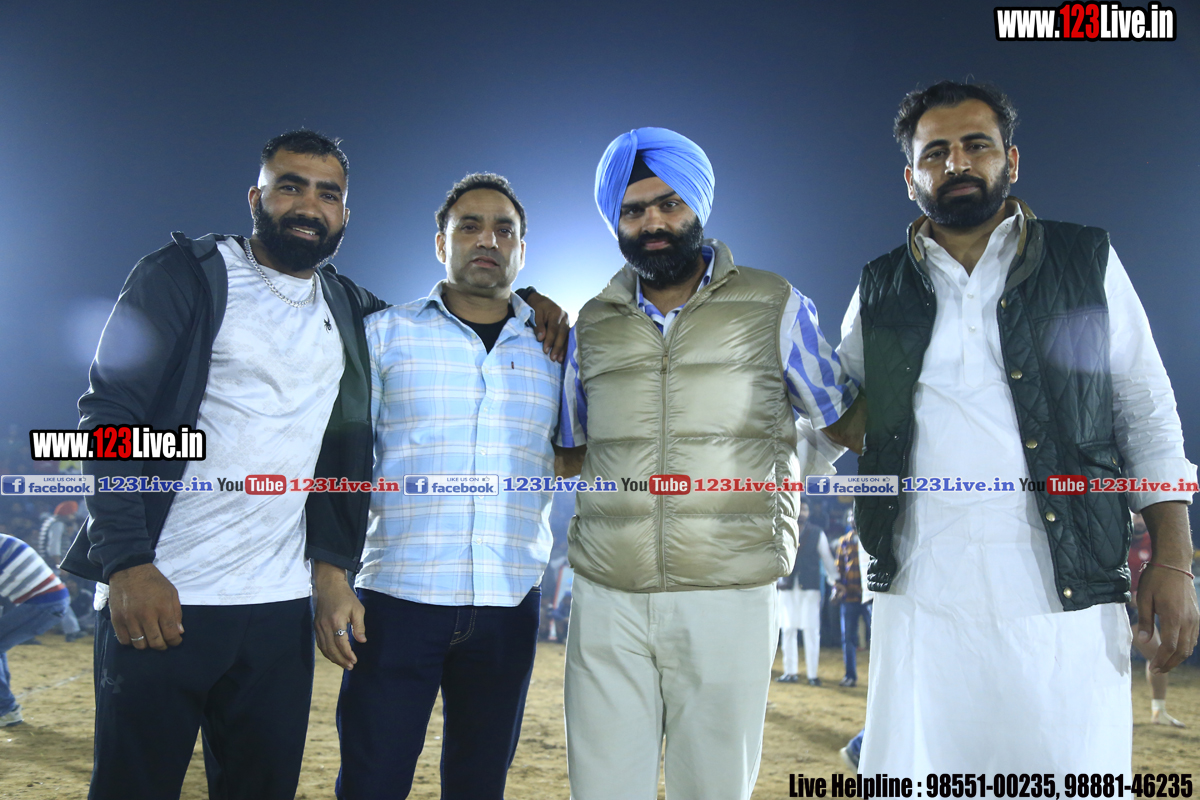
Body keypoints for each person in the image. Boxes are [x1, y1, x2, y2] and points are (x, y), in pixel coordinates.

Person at [59, 131, 568, 800]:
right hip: (165, 588)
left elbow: (461, 320)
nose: (308, 205)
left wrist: (536, 302)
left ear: (344, 214)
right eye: (290, 186)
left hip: (277, 608)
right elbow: (110, 418)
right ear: (256, 197)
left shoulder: (349, 309)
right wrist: (126, 561)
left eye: (328, 194)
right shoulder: (189, 275)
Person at [837, 81, 1198, 773]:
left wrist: (1174, 559)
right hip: (920, 595)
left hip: (1064, 597)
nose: (957, 163)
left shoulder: (1083, 262)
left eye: (976, 145)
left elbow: (1146, 410)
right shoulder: (881, 287)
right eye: (935, 152)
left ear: (1011, 161)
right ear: (911, 177)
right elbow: (833, 419)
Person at [557, 127, 858, 800]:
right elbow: (572, 449)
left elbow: (840, 419)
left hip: (729, 592)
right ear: (615, 221)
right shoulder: (592, 324)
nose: (653, 223)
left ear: (698, 205)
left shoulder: (774, 303)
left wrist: (785, 475)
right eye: (633, 210)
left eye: (669, 204)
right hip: (607, 595)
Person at [322, 173, 566, 800]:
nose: (488, 240)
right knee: (372, 783)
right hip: (397, 600)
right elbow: (340, 460)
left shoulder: (558, 351)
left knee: (480, 785)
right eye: (469, 226)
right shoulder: (384, 334)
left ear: (521, 249)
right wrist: (330, 575)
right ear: (440, 243)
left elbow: (576, 456)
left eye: (504, 230)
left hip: (508, 602)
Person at [0, 533, 72, 727]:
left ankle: (6, 709)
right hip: (48, 600)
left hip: (43, 603)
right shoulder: (4, 540)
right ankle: (5, 707)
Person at [1128, 512, 1185, 727]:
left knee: (1158, 656)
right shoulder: (1114, 538)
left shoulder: (1154, 542)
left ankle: (1158, 712)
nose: (1139, 521)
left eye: (1143, 516)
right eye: (1136, 516)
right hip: (1108, 606)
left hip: (1136, 610)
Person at [776, 498, 837, 685]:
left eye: (805, 509)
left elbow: (827, 559)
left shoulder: (817, 533)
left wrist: (835, 581)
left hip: (810, 588)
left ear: (809, 512)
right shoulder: (781, 530)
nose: (802, 513)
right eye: (800, 509)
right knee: (787, 630)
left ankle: (812, 675)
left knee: (811, 631)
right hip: (786, 587)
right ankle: (790, 672)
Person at [832, 518, 872, 687]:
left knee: (876, 637)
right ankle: (850, 675)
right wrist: (837, 586)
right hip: (849, 596)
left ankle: (879, 678)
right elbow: (838, 568)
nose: (854, 520)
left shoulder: (871, 538)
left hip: (869, 596)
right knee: (848, 638)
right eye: (851, 517)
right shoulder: (844, 541)